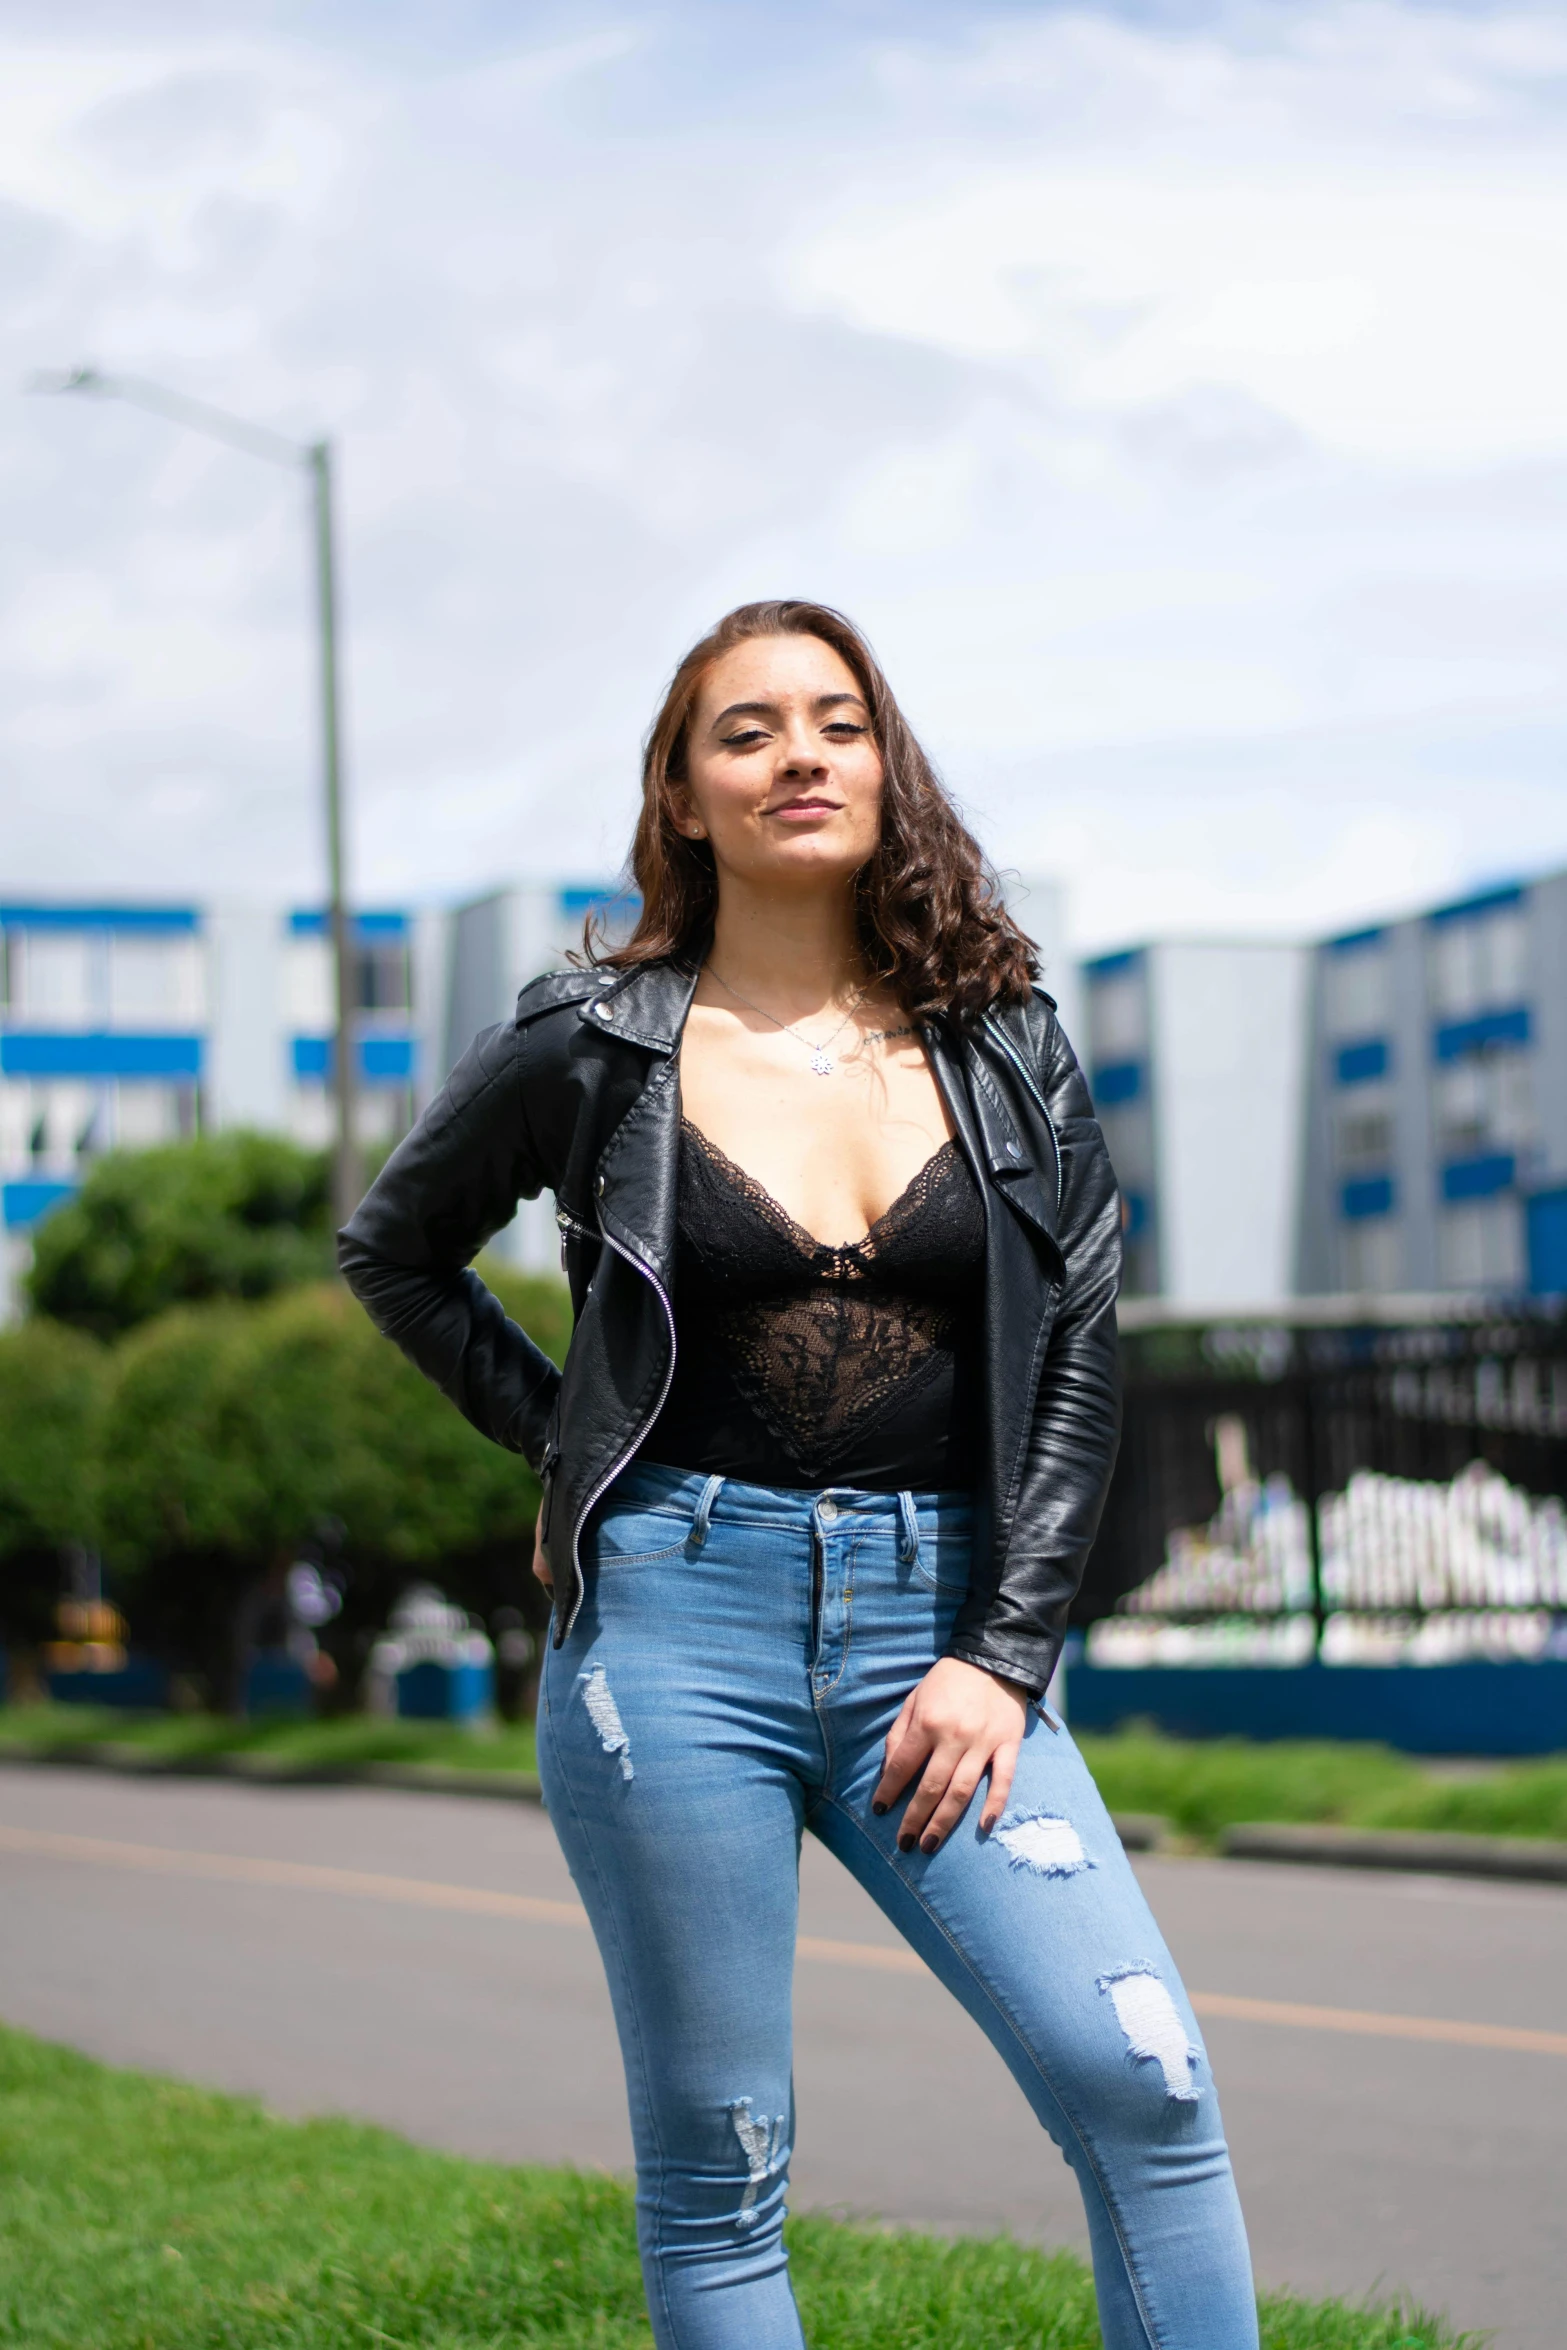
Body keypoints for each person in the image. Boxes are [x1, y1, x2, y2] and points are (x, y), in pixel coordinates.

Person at [340, 599, 1258, 2350]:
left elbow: (1076, 1343)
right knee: (721, 2159)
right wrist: (568, 1444)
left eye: (836, 722)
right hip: (675, 1636)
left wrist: (1003, 1655)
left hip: (948, 1626)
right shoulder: (589, 1042)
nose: (798, 756)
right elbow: (396, 1250)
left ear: (882, 763)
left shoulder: (1003, 1038)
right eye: (745, 730)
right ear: (683, 795)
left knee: (1141, 2078)